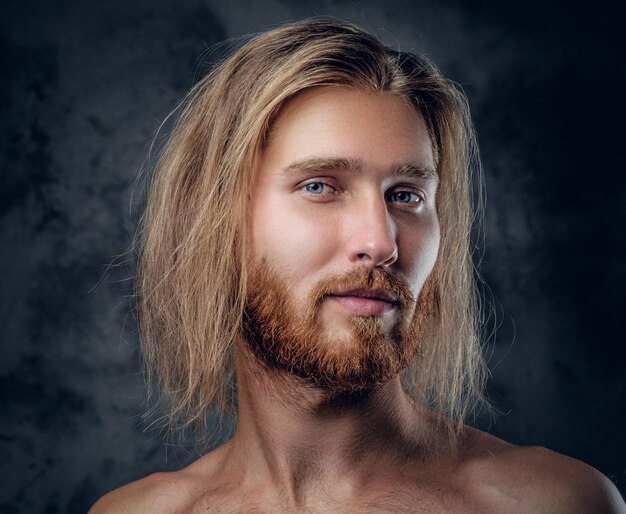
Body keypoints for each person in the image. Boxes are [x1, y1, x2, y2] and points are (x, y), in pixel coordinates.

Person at [90, 19, 625, 513]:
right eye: (320, 186)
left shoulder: (553, 503)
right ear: (214, 219)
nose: (380, 241)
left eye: (407, 195)